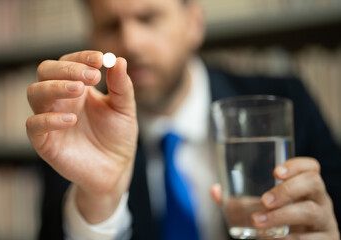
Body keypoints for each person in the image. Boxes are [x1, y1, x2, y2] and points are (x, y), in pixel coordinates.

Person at [26, 0, 341, 239]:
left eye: (148, 18)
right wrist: (99, 201)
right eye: (110, 25)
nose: (131, 42)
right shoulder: (71, 127)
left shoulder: (287, 101)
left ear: (194, 22)